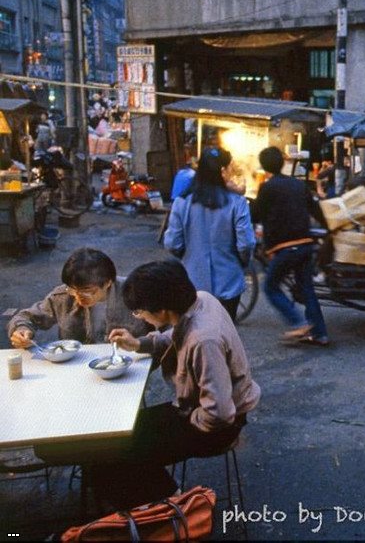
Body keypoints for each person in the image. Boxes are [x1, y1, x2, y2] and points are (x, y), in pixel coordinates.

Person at [72, 260, 260, 509]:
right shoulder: (201, 299)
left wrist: (186, 418)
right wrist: (139, 344)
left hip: (216, 425)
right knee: (114, 439)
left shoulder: (203, 341)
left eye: (140, 312)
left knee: (117, 455)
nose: (140, 317)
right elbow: (176, 332)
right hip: (197, 408)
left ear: (161, 311)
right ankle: (160, 496)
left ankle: (172, 504)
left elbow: (220, 413)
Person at [163, 147, 256, 321]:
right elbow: (246, 244)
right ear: (222, 171)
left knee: (194, 336)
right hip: (228, 283)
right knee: (225, 336)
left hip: (192, 283)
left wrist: (188, 256)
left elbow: (172, 243)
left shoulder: (182, 202)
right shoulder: (237, 202)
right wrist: (240, 262)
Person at [252, 146, 329, 346]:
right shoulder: (298, 184)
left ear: (264, 166)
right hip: (305, 244)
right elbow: (316, 210)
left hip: (285, 247)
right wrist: (330, 229)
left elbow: (255, 215)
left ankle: (298, 323)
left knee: (270, 287)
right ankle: (320, 333)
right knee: (306, 287)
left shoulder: (267, 187)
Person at [7, 248, 150, 348]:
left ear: (107, 282)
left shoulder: (135, 293)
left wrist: (144, 348)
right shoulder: (63, 295)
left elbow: (165, 332)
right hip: (78, 365)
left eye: (86, 291)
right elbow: (25, 317)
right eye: (73, 290)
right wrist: (21, 329)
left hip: (129, 364)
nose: (78, 296)